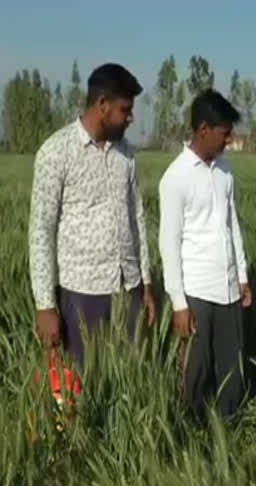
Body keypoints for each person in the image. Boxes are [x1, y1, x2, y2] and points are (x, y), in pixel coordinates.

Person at [28, 63, 155, 370]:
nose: (131, 118)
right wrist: (45, 305)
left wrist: (146, 283)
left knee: (130, 377)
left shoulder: (127, 154)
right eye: (125, 110)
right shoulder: (56, 152)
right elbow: (41, 231)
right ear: (102, 104)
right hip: (82, 293)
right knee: (85, 382)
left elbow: (137, 218)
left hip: (127, 288)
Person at [158, 89, 251, 420]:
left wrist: (242, 276)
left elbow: (231, 224)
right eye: (224, 133)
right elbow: (168, 243)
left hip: (228, 288)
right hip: (197, 292)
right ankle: (193, 432)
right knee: (195, 372)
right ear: (202, 130)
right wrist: (179, 304)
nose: (229, 140)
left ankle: (230, 428)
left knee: (231, 369)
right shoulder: (175, 178)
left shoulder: (225, 171)